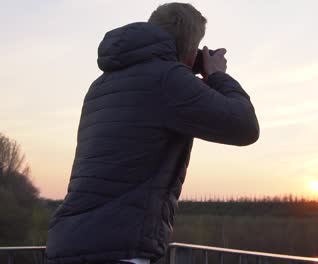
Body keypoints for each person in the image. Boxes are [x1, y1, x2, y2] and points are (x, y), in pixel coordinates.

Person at [45, 2, 259, 264]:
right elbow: (245, 126)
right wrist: (216, 75)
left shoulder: (101, 85)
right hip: (117, 249)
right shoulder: (168, 80)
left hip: (71, 243)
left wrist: (185, 67)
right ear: (191, 47)